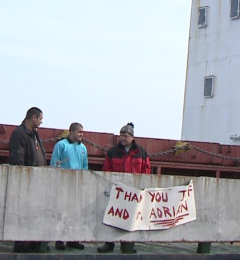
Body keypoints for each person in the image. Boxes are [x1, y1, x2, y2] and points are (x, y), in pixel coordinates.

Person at [97, 122, 151, 254]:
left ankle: (128, 245)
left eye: (125, 136)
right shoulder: (112, 152)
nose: (122, 138)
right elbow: (107, 169)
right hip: (116, 191)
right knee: (112, 217)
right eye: (121, 135)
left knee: (131, 218)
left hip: (133, 192)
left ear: (132, 137)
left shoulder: (142, 152)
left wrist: (141, 187)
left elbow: (146, 169)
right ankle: (109, 243)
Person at [8, 106, 48, 253]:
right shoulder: (20, 133)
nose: (41, 122)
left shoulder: (34, 134)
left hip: (36, 181)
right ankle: (21, 244)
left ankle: (31, 242)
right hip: (26, 181)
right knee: (22, 213)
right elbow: (17, 157)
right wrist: (22, 178)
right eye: (40, 119)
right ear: (34, 117)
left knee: (34, 212)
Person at [50, 122, 88, 250]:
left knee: (76, 213)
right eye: (79, 132)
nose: (81, 134)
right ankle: (59, 239)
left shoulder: (83, 148)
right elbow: (54, 163)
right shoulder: (61, 145)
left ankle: (73, 239)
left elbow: (85, 166)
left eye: (82, 132)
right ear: (71, 132)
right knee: (61, 212)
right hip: (63, 184)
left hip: (77, 185)